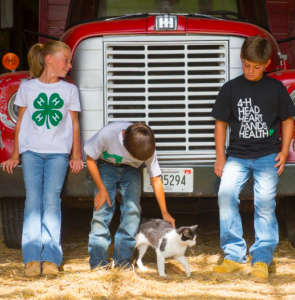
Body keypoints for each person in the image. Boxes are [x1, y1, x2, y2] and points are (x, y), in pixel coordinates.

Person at [211, 35, 295, 281]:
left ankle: (261, 258)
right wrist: (220, 157)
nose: (250, 70)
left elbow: (287, 120)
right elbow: (221, 124)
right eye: (246, 65)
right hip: (236, 157)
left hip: (267, 155)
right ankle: (234, 256)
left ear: (267, 64)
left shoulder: (275, 88)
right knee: (225, 196)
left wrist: (283, 151)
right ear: (241, 60)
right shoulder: (231, 88)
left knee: (265, 203)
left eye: (256, 67)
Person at [1, 41, 83, 277]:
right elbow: (20, 124)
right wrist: (15, 154)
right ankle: (31, 259)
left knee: (51, 201)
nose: (69, 65)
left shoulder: (69, 90)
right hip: (32, 153)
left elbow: (74, 124)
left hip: (58, 153)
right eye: (65, 60)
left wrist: (75, 155)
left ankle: (50, 258)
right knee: (33, 202)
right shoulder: (28, 88)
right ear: (49, 59)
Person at [84, 121, 175, 270]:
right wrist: (101, 189)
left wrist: (165, 212)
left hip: (131, 170)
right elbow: (90, 159)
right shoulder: (107, 134)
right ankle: (98, 263)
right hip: (105, 165)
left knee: (132, 213)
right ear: (125, 148)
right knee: (102, 211)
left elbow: (155, 178)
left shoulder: (146, 145)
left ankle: (122, 262)